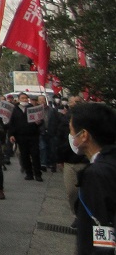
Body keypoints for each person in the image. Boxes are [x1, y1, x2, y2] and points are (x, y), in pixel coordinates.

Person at [70, 103, 116, 255]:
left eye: (72, 131)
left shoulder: (97, 175)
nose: (71, 137)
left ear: (84, 135)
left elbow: (104, 240)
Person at [57, 95, 88, 228]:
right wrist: (59, 159)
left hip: (86, 162)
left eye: (78, 101)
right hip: (70, 162)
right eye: (73, 102)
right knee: (72, 191)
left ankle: (85, 216)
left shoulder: (88, 119)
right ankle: (76, 214)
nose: (75, 104)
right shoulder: (65, 119)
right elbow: (60, 139)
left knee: (87, 191)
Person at [8, 92, 44, 182]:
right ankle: (29, 173)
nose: (24, 100)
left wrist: (39, 122)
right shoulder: (14, 109)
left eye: (26, 98)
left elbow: (41, 121)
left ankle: (38, 174)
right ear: (19, 99)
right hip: (21, 136)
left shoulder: (32, 108)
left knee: (35, 155)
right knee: (24, 155)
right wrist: (11, 134)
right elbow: (12, 123)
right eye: (22, 98)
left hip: (33, 135)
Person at [38, 95, 59, 173]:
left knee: (52, 149)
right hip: (41, 132)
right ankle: (43, 164)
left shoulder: (52, 110)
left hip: (51, 132)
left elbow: (57, 120)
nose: (42, 101)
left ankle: (52, 164)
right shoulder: (36, 111)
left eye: (43, 99)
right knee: (42, 148)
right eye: (40, 100)